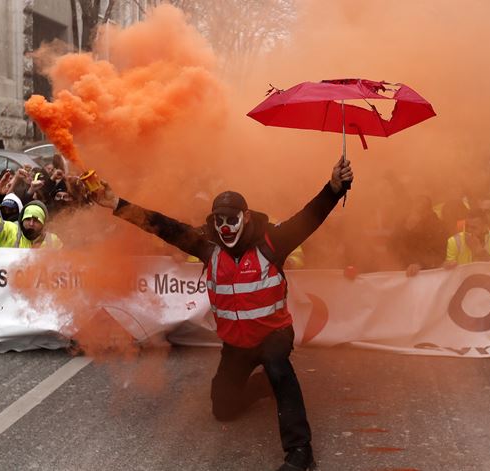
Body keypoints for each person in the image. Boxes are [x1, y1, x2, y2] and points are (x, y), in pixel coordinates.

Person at [91, 158, 354, 471]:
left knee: (278, 367)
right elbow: (164, 227)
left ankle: (300, 452)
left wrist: (335, 188)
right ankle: (262, 387)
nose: (224, 227)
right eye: (218, 220)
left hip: (273, 334)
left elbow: (308, 218)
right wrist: (116, 204)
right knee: (223, 408)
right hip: (236, 345)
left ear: (245, 217)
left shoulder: (272, 241)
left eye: (231, 219)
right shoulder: (208, 247)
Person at [0, 170, 62, 248]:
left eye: (36, 220)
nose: (31, 224)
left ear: (44, 223)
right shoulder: (9, 231)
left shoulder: (53, 241)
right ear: (21, 220)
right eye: (28, 219)